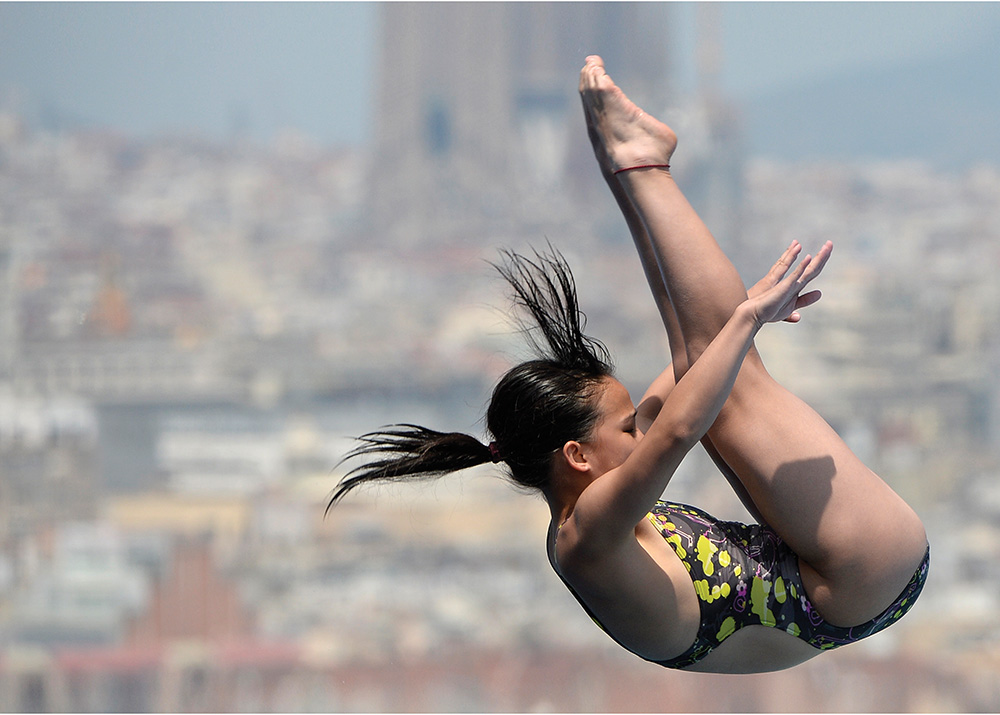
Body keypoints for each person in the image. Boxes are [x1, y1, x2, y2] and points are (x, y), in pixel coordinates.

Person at [327, 56, 929, 674]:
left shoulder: (593, 500)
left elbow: (693, 360)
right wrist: (746, 319)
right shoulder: (583, 536)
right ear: (576, 456)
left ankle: (630, 162)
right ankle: (640, 162)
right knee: (733, 377)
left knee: (706, 357)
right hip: (858, 576)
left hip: (842, 583)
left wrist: (728, 314)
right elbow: (675, 430)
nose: (637, 427)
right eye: (623, 428)